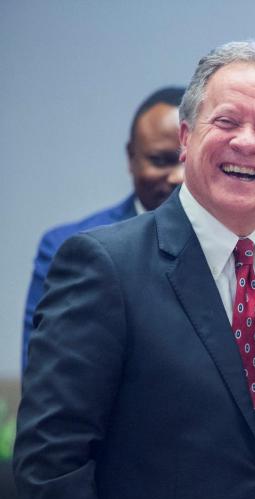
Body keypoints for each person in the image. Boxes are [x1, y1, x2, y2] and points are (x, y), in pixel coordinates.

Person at [13, 41, 255, 499]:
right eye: (227, 121)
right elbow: (51, 460)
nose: (246, 142)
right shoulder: (103, 264)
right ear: (187, 138)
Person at [21, 86, 184, 371]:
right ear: (131, 158)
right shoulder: (70, 245)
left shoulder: (234, 246)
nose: (177, 176)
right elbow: (42, 374)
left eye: (188, 160)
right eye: (160, 160)